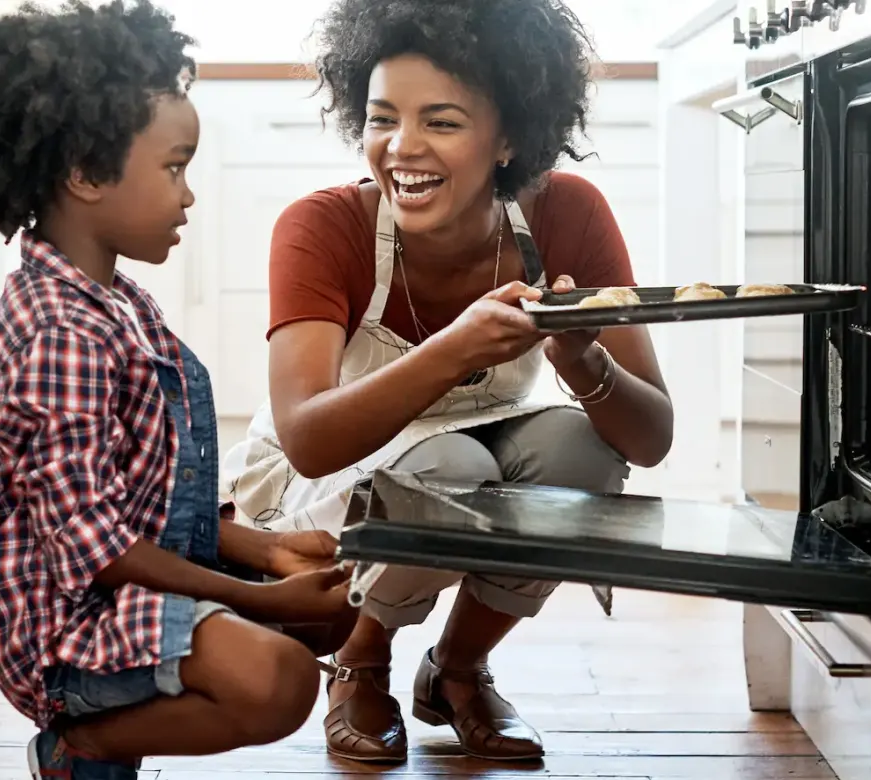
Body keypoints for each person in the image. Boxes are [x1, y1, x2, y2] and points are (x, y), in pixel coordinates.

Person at [217, 0, 678, 764]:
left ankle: (457, 671)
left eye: (441, 121)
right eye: (381, 118)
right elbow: (308, 438)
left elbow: (651, 439)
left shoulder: (568, 213)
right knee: (449, 470)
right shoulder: (323, 226)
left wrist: (581, 361)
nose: (401, 147)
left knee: (581, 453)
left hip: (484, 436)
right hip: (333, 474)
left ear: (509, 139)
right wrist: (453, 349)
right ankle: (359, 659)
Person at [0, 3, 362, 778]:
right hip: (64, 622)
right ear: (86, 174)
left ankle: (115, 738)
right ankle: (80, 745)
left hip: (119, 579)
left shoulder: (116, 301)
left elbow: (145, 496)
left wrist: (269, 549)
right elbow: (96, 547)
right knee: (281, 679)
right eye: (173, 167)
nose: (188, 194)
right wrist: (261, 599)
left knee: (331, 616)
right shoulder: (59, 333)